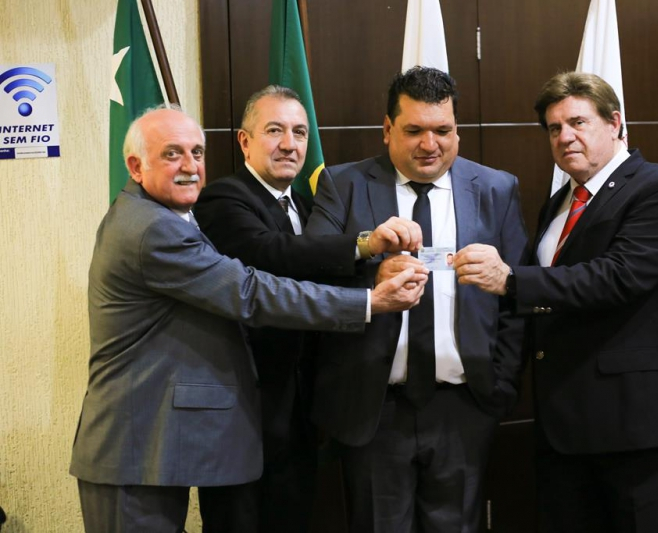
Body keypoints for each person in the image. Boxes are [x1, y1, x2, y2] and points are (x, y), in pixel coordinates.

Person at [69, 106, 425, 533]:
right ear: (135, 166)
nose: (190, 166)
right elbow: (250, 291)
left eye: (197, 153)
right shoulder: (152, 229)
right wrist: (369, 302)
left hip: (153, 444)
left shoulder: (163, 215)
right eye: (172, 154)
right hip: (134, 447)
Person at [455, 71, 658, 532]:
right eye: (554, 128)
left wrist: (511, 280)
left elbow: (618, 276)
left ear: (615, 123)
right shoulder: (558, 204)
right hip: (564, 430)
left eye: (578, 122)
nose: (564, 136)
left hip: (638, 433)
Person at [193, 85, 425, 532]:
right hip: (245, 411)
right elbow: (273, 254)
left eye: (299, 132)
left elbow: (319, 277)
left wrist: (379, 273)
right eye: (274, 131)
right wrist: (367, 243)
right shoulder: (223, 198)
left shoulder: (305, 204)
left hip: (300, 412)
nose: (290, 144)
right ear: (245, 141)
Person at [305, 66, 527, 533]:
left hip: (465, 406)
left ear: (457, 130)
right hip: (374, 407)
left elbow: (514, 295)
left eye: (443, 130)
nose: (430, 144)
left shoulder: (495, 188)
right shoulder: (343, 185)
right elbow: (310, 277)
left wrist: (499, 386)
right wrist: (371, 276)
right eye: (414, 131)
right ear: (388, 129)